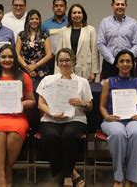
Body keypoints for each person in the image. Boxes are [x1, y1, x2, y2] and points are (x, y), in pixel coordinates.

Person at [0, 44, 36, 187]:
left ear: (15, 59)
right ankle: (0, 173)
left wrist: (22, 104)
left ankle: (8, 168)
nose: (7, 59)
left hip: (16, 116)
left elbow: (33, 102)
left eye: (10, 56)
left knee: (15, 133)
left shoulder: (24, 77)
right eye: (3, 57)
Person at [37, 48, 93, 187]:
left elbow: (90, 106)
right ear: (57, 63)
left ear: (73, 62)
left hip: (75, 118)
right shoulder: (48, 80)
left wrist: (82, 103)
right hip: (51, 118)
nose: (64, 63)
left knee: (69, 135)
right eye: (61, 60)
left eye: (67, 60)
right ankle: (71, 172)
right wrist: (51, 113)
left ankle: (66, 175)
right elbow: (40, 103)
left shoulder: (82, 81)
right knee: (51, 135)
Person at [99, 50, 137, 187]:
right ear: (116, 64)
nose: (125, 64)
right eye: (122, 61)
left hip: (135, 119)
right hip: (113, 120)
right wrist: (106, 116)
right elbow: (102, 106)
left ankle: (130, 178)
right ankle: (118, 177)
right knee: (118, 133)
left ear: (133, 64)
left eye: (128, 61)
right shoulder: (108, 82)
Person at [97, 0, 137, 79]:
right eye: (117, 4)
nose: (120, 6)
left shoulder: (133, 23)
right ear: (112, 6)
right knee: (108, 89)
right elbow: (100, 44)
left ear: (126, 6)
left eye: (122, 4)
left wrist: (127, 60)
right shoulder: (105, 22)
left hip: (127, 66)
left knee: (128, 90)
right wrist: (113, 61)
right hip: (110, 63)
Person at [56, 3, 99, 82]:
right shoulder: (63, 31)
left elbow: (94, 52)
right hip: (66, 67)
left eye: (79, 12)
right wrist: (57, 73)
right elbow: (58, 53)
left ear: (83, 15)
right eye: (74, 13)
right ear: (70, 15)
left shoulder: (90, 30)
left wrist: (94, 72)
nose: (77, 15)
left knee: (83, 93)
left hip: (85, 68)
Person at [16, 9, 52, 86]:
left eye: (36, 19)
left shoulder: (45, 35)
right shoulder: (21, 35)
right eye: (32, 19)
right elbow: (17, 53)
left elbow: (49, 55)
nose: (34, 21)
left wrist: (35, 66)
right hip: (24, 70)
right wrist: (27, 68)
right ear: (28, 21)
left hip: (41, 71)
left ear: (40, 21)